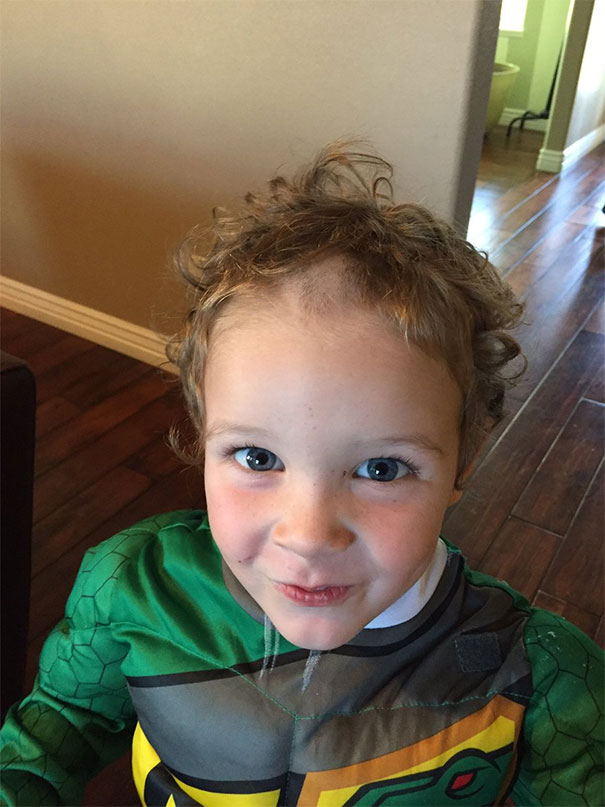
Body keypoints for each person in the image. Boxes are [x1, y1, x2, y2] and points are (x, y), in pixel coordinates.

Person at [1, 143, 602, 807]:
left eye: (380, 468)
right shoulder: (132, 590)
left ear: (464, 461)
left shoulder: (540, 678)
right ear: (203, 434)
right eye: (258, 458)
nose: (310, 534)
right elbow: (55, 732)